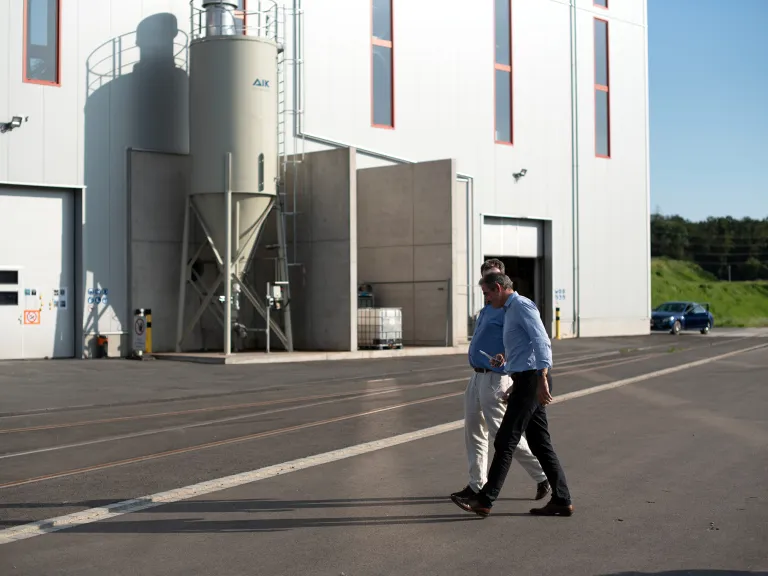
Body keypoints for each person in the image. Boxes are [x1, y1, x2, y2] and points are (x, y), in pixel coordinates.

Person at [453, 272, 574, 518]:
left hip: (533, 380)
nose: (486, 299)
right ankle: (562, 499)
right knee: (540, 443)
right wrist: (508, 363)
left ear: (498, 288)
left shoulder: (521, 306)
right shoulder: (509, 310)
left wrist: (541, 378)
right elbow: (524, 345)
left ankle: (485, 499)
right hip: (524, 380)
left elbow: (541, 341)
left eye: (487, 293)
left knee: (505, 439)